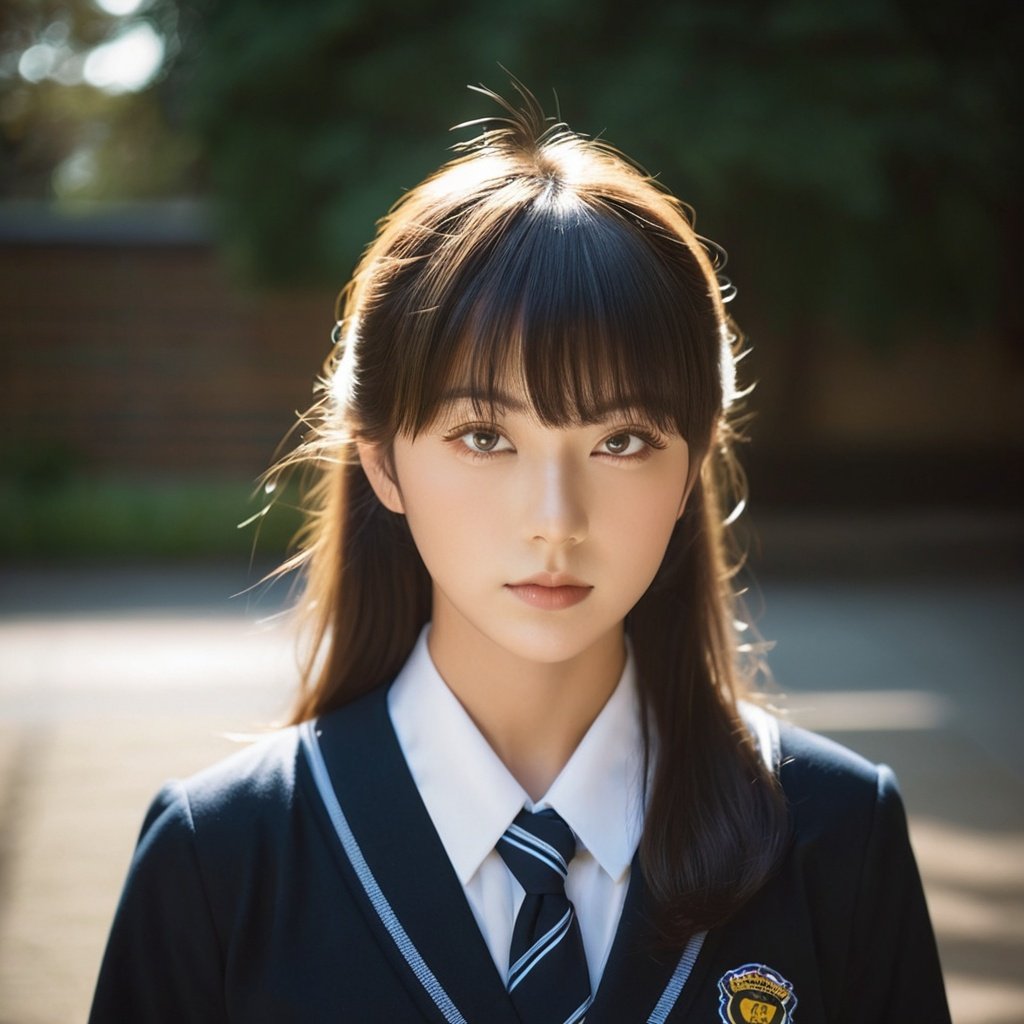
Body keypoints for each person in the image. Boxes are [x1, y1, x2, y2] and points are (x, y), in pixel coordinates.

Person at [89, 83, 950, 1023]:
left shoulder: (835, 833)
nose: (555, 519)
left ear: (692, 462)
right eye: (485, 437)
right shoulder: (222, 858)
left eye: (621, 440)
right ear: (382, 461)